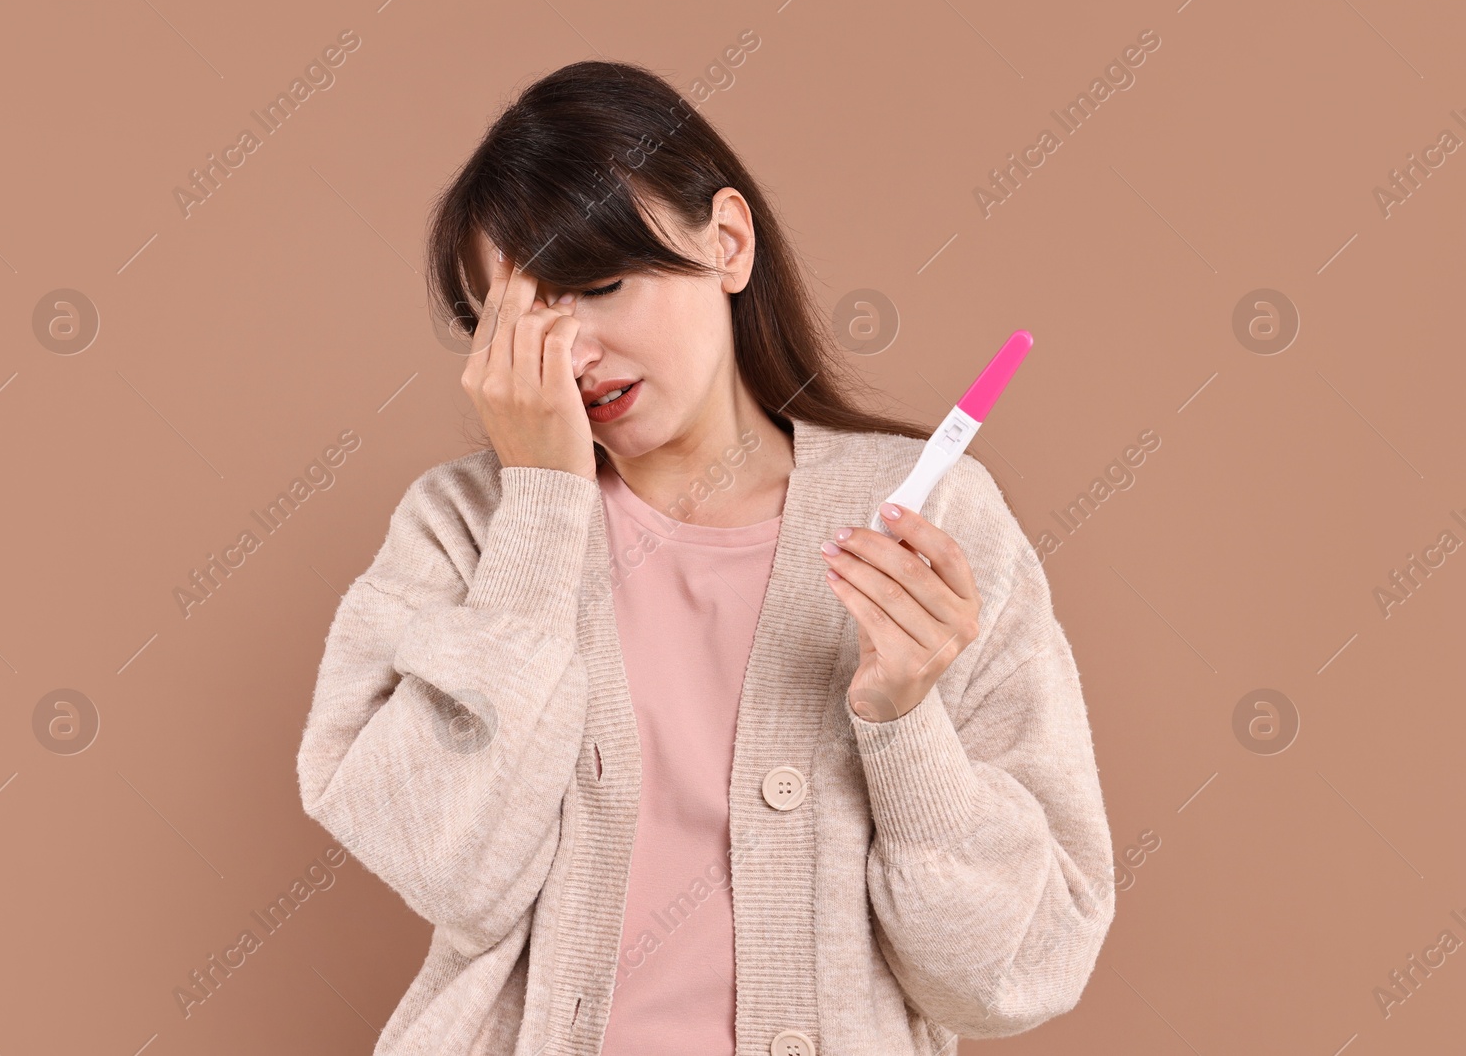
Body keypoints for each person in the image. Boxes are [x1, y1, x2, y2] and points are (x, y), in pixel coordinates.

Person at [296, 60, 1114, 1056]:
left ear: (725, 242)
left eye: (598, 284)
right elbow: (447, 867)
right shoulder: (463, 527)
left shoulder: (932, 517)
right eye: (509, 321)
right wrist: (544, 506)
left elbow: (1012, 973)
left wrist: (903, 725)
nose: (568, 355)